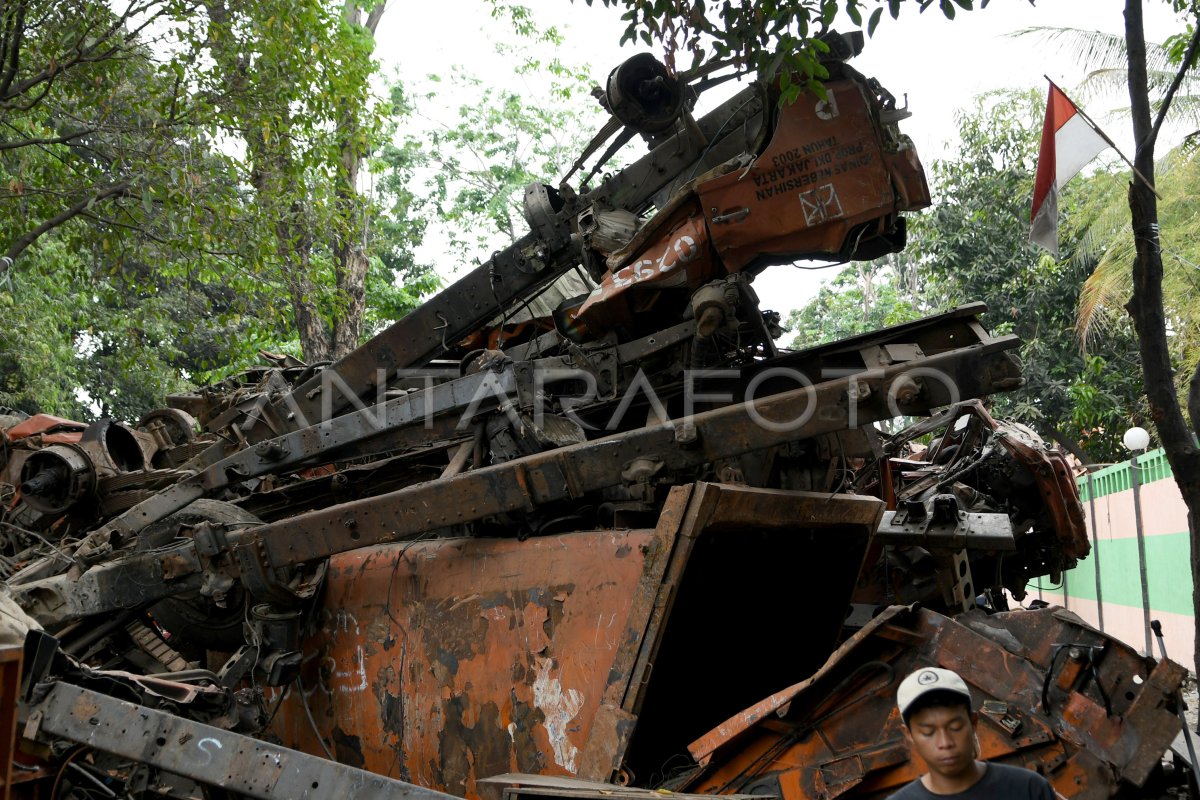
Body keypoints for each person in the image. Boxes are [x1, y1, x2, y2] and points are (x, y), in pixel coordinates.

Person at [891, 667, 1056, 799]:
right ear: (909, 735)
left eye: (955, 727)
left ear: (973, 722)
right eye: (928, 732)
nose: (945, 742)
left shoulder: (1028, 789)